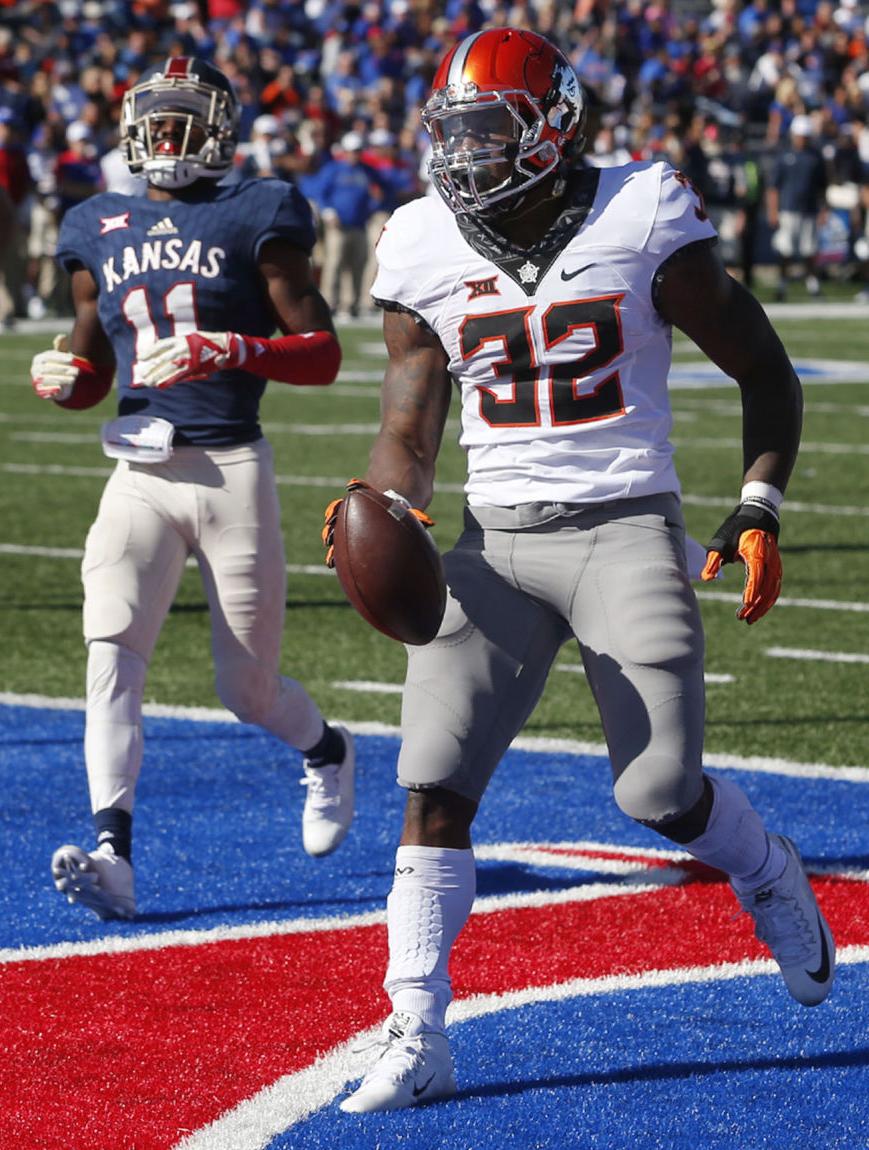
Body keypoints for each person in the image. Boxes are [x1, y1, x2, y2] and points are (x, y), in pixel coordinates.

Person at [322, 28, 835, 1113]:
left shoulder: (641, 210)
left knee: (657, 792)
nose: (464, 155)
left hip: (623, 528)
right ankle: (416, 1027)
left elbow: (762, 367)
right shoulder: (418, 237)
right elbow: (408, 425)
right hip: (493, 542)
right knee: (432, 785)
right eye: (454, 133)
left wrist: (757, 504)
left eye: (488, 132)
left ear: (552, 128)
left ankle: (765, 870)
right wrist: (384, 505)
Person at [29, 57, 355, 923]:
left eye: (184, 120)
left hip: (228, 470)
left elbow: (322, 354)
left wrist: (231, 348)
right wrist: (64, 379)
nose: (167, 134)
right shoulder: (95, 222)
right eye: (157, 121)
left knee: (246, 691)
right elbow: (95, 369)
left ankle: (326, 751)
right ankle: (114, 856)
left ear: (217, 130)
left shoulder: (258, 209)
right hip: (137, 471)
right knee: (110, 655)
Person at [767, 114, 828, 300]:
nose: (802, 139)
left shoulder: (815, 157)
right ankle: (782, 285)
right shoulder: (784, 156)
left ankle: (813, 285)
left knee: (810, 250)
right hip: (787, 209)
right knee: (785, 250)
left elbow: (822, 186)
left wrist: (823, 209)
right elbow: (773, 187)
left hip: (809, 209)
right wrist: (773, 210)